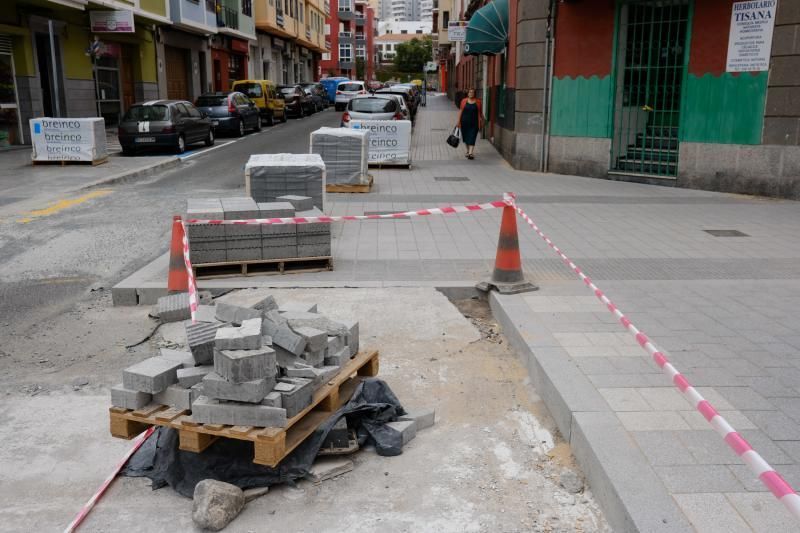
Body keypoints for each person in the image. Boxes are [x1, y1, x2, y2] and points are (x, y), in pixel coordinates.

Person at [456, 88, 483, 160]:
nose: (471, 93)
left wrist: (481, 120)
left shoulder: (478, 102)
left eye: (472, 92)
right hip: (464, 122)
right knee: (466, 138)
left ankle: (470, 153)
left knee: (472, 137)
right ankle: (468, 151)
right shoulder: (463, 101)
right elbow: (461, 111)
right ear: (468, 94)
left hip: (474, 123)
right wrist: (458, 121)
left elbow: (480, 113)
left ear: (474, 94)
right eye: (470, 92)